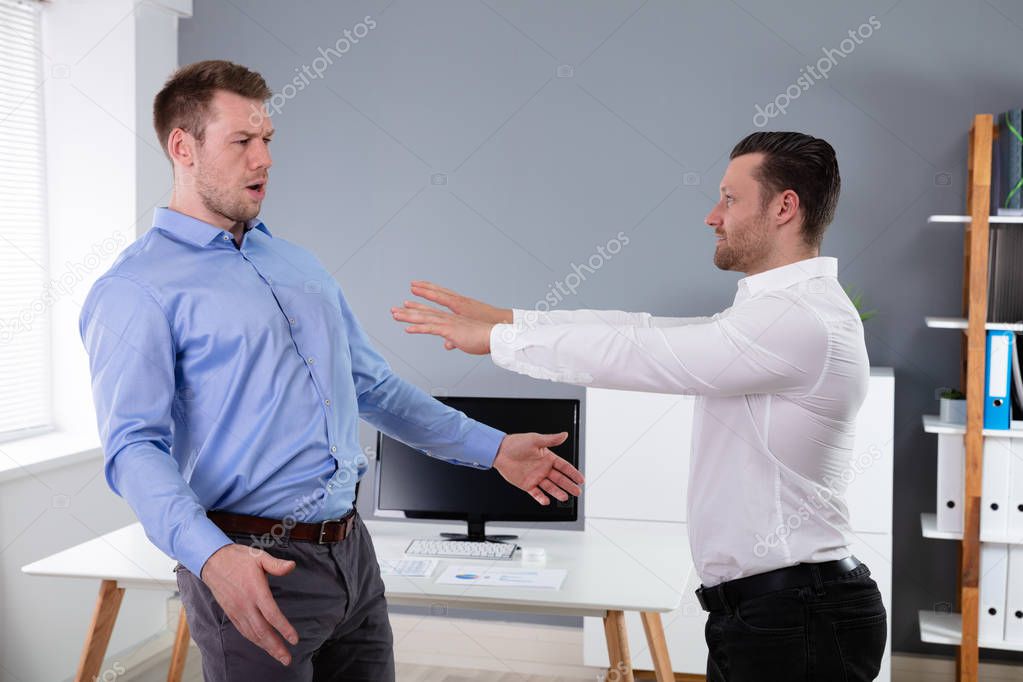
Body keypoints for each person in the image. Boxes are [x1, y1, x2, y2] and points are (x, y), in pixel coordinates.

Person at [78, 60, 584, 682]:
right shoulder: (134, 289)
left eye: (268, 141)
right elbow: (133, 448)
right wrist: (213, 560)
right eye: (242, 141)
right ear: (183, 147)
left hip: (352, 558)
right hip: (249, 562)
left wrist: (494, 448)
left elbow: (371, 387)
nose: (263, 159)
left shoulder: (298, 265)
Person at [391, 131, 887, 681]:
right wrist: (510, 319)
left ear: (784, 207)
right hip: (770, 612)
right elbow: (640, 329)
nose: (711, 216)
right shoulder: (778, 314)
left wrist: (498, 342)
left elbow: (643, 352)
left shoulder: (799, 320)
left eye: (729, 198)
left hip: (799, 614)